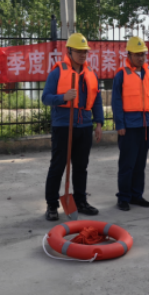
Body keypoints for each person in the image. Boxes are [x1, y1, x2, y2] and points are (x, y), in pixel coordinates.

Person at [41, 33, 104, 221]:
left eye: (85, 52)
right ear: (69, 51)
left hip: (84, 125)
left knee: (81, 167)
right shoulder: (58, 72)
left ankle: (80, 201)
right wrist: (63, 97)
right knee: (58, 166)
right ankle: (52, 205)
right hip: (63, 126)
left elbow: (97, 100)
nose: (83, 55)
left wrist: (98, 122)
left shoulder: (90, 73)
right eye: (79, 51)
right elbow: (45, 97)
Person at [112, 36, 149, 211]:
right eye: (137, 55)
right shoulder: (121, 75)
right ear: (129, 55)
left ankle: (136, 195)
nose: (141, 58)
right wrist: (120, 124)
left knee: (140, 164)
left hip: (145, 125)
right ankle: (123, 197)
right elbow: (116, 101)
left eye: (143, 55)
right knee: (127, 164)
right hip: (129, 126)